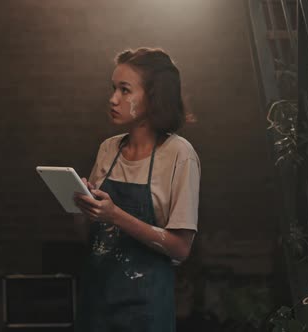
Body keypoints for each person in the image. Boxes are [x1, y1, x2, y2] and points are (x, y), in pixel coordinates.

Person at [73, 47, 200, 332]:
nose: (113, 98)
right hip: (96, 303)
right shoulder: (108, 149)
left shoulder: (179, 154)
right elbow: (85, 237)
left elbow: (181, 248)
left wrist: (115, 215)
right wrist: (81, 207)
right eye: (113, 88)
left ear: (154, 97)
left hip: (145, 311)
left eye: (125, 90)